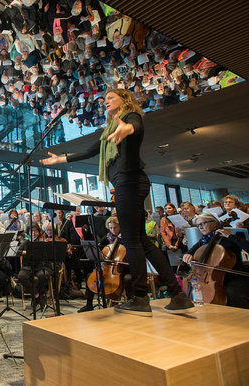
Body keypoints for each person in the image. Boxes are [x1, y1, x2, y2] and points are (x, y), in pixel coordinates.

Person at [41, 88, 194, 316]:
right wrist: (61, 158)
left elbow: (136, 126)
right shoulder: (109, 131)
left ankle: (140, 297)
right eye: (105, 100)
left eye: (111, 97)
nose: (106, 102)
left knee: (132, 241)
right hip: (129, 183)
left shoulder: (129, 118)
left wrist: (128, 128)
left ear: (125, 99)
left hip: (129, 182)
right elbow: (92, 150)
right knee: (141, 241)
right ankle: (178, 295)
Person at [183, 213, 249, 308]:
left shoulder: (227, 240)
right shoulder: (204, 241)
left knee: (231, 291)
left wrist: (230, 237)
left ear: (214, 223)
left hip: (235, 277)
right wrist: (187, 255)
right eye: (198, 225)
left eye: (203, 224)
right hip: (213, 279)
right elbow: (189, 252)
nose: (200, 227)